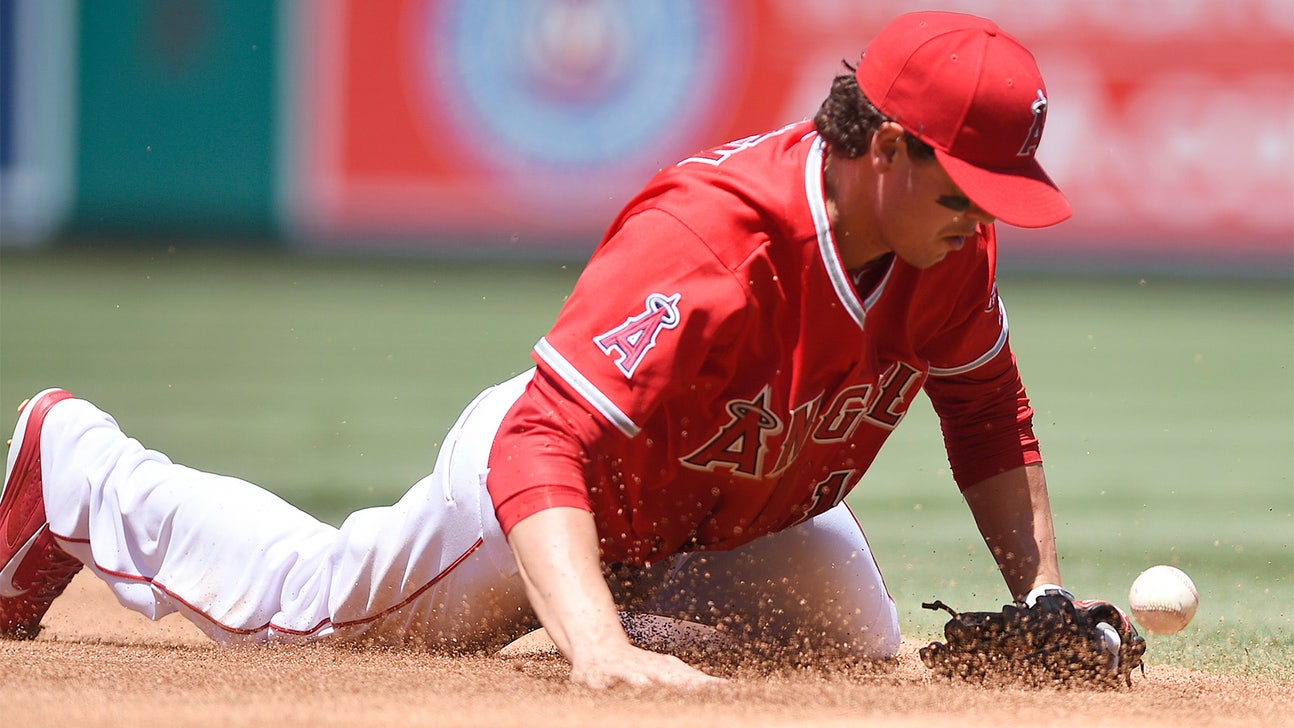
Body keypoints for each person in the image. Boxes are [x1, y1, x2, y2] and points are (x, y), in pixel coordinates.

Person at [2, 11, 1087, 689]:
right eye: (964, 191)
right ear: (886, 148)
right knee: (318, 620)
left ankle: (601, 610)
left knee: (839, 646)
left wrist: (1041, 593)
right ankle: (77, 468)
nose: (979, 221)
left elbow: (987, 408)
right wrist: (597, 647)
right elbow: (537, 441)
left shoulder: (943, 248)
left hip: (722, 510)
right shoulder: (709, 240)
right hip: (552, 483)